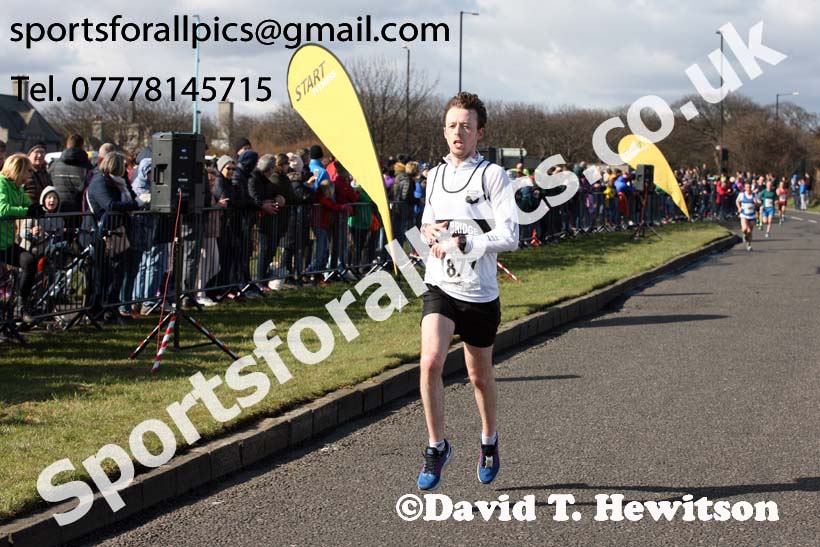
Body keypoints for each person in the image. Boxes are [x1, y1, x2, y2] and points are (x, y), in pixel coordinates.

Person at [416, 92, 518, 491]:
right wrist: (427, 233)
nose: (459, 132)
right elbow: (428, 222)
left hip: (478, 292)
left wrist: (465, 243)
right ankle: (436, 446)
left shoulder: (493, 176)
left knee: (479, 376)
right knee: (429, 362)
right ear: (444, 130)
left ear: (480, 132)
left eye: (466, 126)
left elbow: (510, 235)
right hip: (440, 284)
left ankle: (489, 441)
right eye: (452, 125)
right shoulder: (434, 175)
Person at [0, 154, 43, 321]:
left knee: (29, 261)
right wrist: (27, 212)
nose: (29, 176)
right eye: (27, 171)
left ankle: (21, 304)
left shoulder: (17, 187)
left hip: (7, 243)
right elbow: (2, 209)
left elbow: (26, 203)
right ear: (18, 170)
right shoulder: (2, 184)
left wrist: (35, 207)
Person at [736, 180, 759, 252]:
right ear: (745, 188)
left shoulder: (754, 195)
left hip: (752, 215)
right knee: (745, 229)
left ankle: (749, 245)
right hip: (744, 215)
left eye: (749, 187)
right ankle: (744, 234)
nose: (748, 189)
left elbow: (759, 204)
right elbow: (737, 201)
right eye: (747, 187)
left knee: (749, 231)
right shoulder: (742, 195)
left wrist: (756, 203)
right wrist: (739, 208)